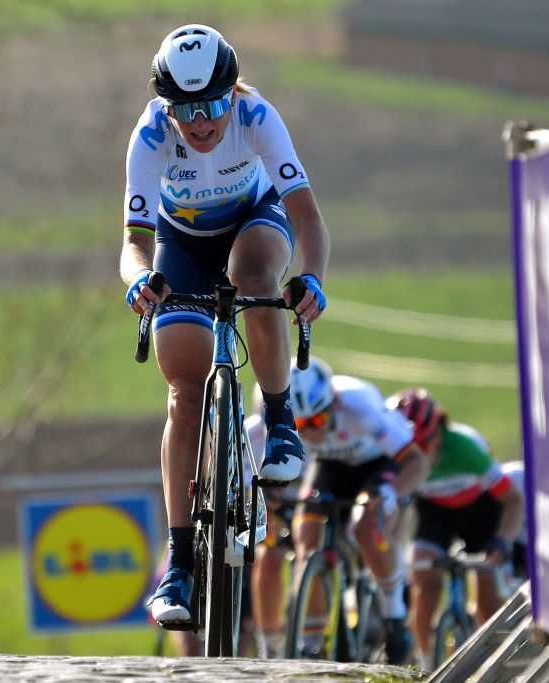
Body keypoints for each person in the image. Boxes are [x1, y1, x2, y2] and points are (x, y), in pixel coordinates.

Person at [121, 23, 331, 628]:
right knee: (184, 397)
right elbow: (132, 243)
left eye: (213, 104)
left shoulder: (257, 117)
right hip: (182, 244)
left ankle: (280, 420)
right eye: (186, 108)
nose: (202, 122)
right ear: (168, 105)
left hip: (253, 222)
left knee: (255, 275)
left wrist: (312, 278)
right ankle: (180, 564)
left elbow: (308, 219)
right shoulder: (150, 135)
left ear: (232, 92)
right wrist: (138, 280)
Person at [288, 357, 430, 665]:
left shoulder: (359, 406)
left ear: (333, 404)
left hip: (377, 468)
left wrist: (392, 494)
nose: (309, 433)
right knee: (305, 530)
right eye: (300, 425)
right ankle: (312, 637)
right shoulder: (290, 416)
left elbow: (418, 462)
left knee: (367, 522)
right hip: (328, 470)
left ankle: (394, 615)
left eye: (315, 421)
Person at [387, 389, 525, 669]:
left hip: (480, 511)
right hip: (433, 512)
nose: (421, 454)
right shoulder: (398, 457)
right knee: (425, 583)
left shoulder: (464, 447)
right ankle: (425, 664)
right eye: (412, 448)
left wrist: (502, 542)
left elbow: (513, 500)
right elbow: (394, 509)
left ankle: (495, 665)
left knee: (487, 596)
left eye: (425, 444)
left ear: (439, 430)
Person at [246, 387, 301, 659]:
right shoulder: (251, 433)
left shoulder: (312, 432)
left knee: (311, 546)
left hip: (308, 500)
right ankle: (269, 642)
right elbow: (244, 484)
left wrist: (308, 496)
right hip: (273, 508)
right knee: (268, 555)